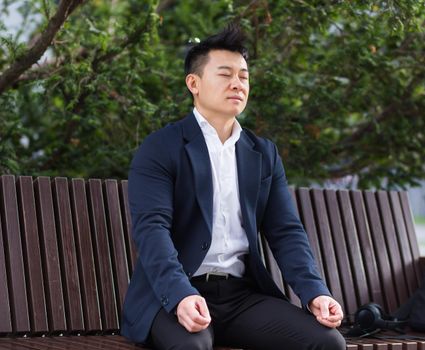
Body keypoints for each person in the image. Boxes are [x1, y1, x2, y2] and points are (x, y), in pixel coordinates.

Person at [121, 24, 346, 350]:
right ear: (194, 84)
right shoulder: (161, 147)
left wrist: (315, 292)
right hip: (174, 294)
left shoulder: (263, 153)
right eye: (225, 74)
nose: (237, 84)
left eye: (243, 76)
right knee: (192, 347)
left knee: (328, 343)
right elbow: (151, 230)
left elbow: (285, 231)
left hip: (242, 297)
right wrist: (181, 294)